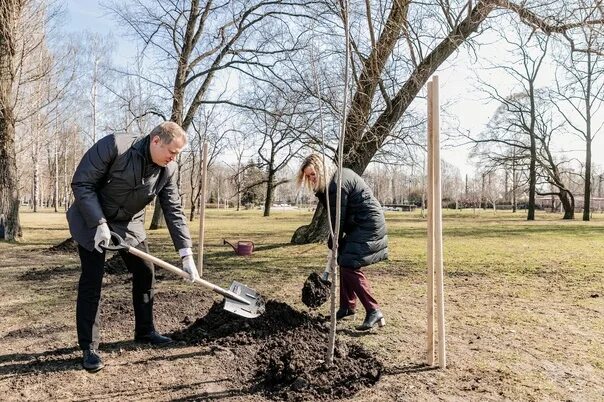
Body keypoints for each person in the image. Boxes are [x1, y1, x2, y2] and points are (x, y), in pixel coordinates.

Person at [67, 121, 200, 372]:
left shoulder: (167, 169)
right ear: (156, 140)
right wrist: (99, 223)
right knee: (92, 280)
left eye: (177, 155)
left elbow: (173, 210)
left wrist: (186, 254)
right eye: (171, 152)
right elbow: (82, 184)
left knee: (145, 272)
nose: (173, 158)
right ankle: (89, 347)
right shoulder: (115, 145)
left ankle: (145, 330)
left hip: (129, 225)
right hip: (91, 219)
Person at [298, 154, 388, 331]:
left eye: (313, 174)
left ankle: (373, 310)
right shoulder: (334, 180)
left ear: (322, 169)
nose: (311, 178)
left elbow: (337, 220)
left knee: (348, 264)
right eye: (308, 176)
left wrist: (333, 241)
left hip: (368, 225)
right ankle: (347, 307)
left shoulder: (336, 185)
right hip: (360, 224)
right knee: (344, 261)